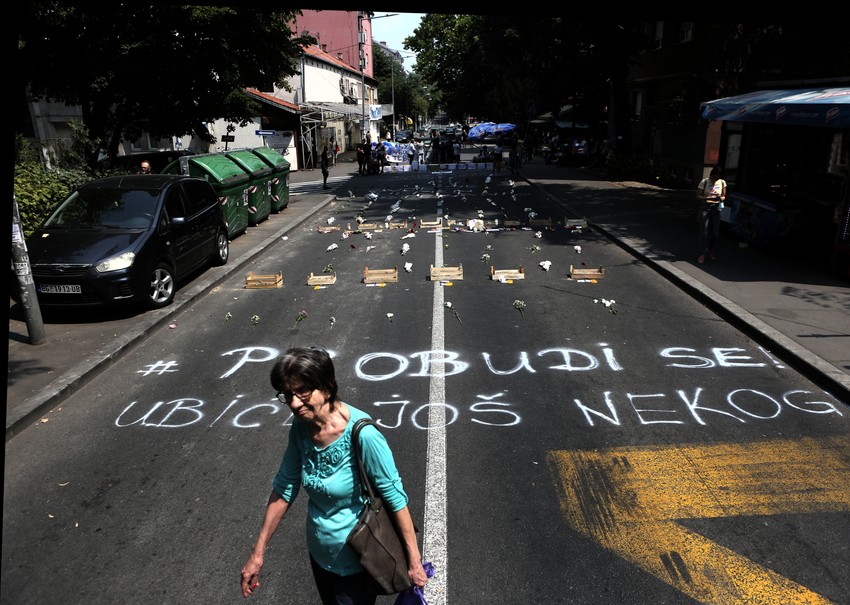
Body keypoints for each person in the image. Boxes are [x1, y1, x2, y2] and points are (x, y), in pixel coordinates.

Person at [240, 347, 428, 604]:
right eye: (288, 394)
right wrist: (257, 553)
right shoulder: (301, 427)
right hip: (320, 556)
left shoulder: (364, 435)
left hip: (358, 560)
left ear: (327, 386)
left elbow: (395, 497)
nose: (294, 403)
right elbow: (285, 487)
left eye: (303, 391)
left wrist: (414, 562)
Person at [695, 166, 727, 263]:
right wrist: (708, 198)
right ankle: (702, 254)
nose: (715, 180)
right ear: (711, 175)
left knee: (715, 233)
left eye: (718, 177)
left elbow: (724, 196)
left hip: (716, 208)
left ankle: (710, 251)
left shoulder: (722, 182)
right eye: (714, 177)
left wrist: (720, 198)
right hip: (705, 207)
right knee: (704, 232)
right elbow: (698, 196)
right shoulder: (704, 182)